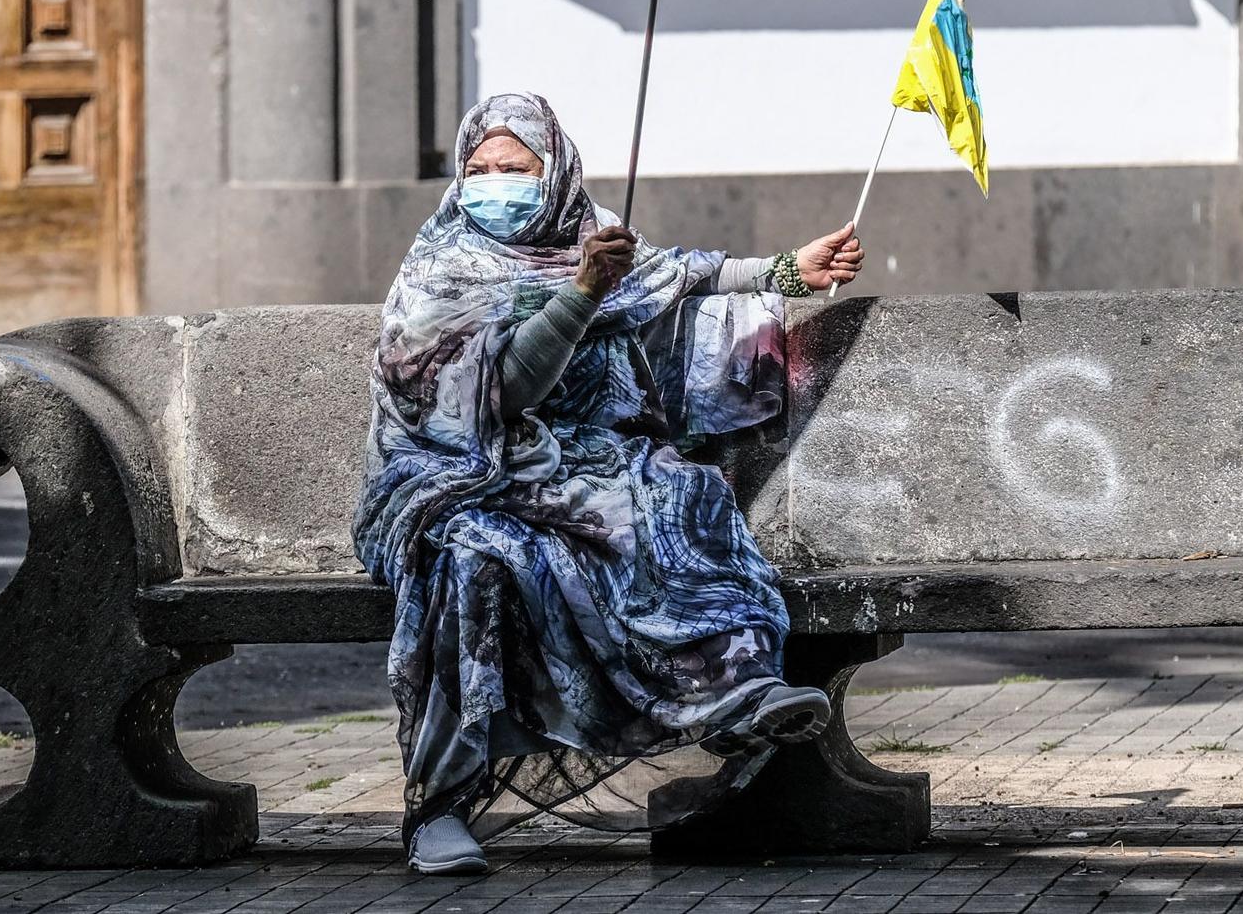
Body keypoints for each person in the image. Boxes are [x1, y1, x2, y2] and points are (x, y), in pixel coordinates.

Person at [354, 93, 865, 876]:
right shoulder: (442, 267)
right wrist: (581, 295)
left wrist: (789, 272)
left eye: (514, 169)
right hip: (460, 477)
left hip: (584, 460)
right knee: (477, 562)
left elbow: (675, 276)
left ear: (552, 171)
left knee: (678, 497)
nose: (494, 183)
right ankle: (440, 806)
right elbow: (503, 395)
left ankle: (734, 694)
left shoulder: (588, 236)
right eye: (478, 170)